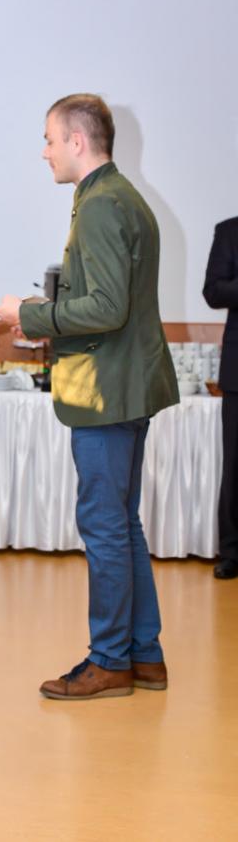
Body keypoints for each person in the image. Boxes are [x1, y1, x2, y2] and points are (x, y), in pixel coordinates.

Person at [0, 94, 179, 701]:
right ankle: (144, 655)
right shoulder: (122, 196)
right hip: (128, 385)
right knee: (123, 525)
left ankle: (109, 661)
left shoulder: (100, 204)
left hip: (105, 392)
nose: (44, 151)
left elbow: (105, 307)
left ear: (77, 141)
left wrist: (29, 315)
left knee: (105, 528)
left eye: (49, 139)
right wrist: (44, 315)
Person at [203, 219, 238, 579]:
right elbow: (213, 291)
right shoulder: (229, 231)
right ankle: (232, 551)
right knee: (235, 466)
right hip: (237, 371)